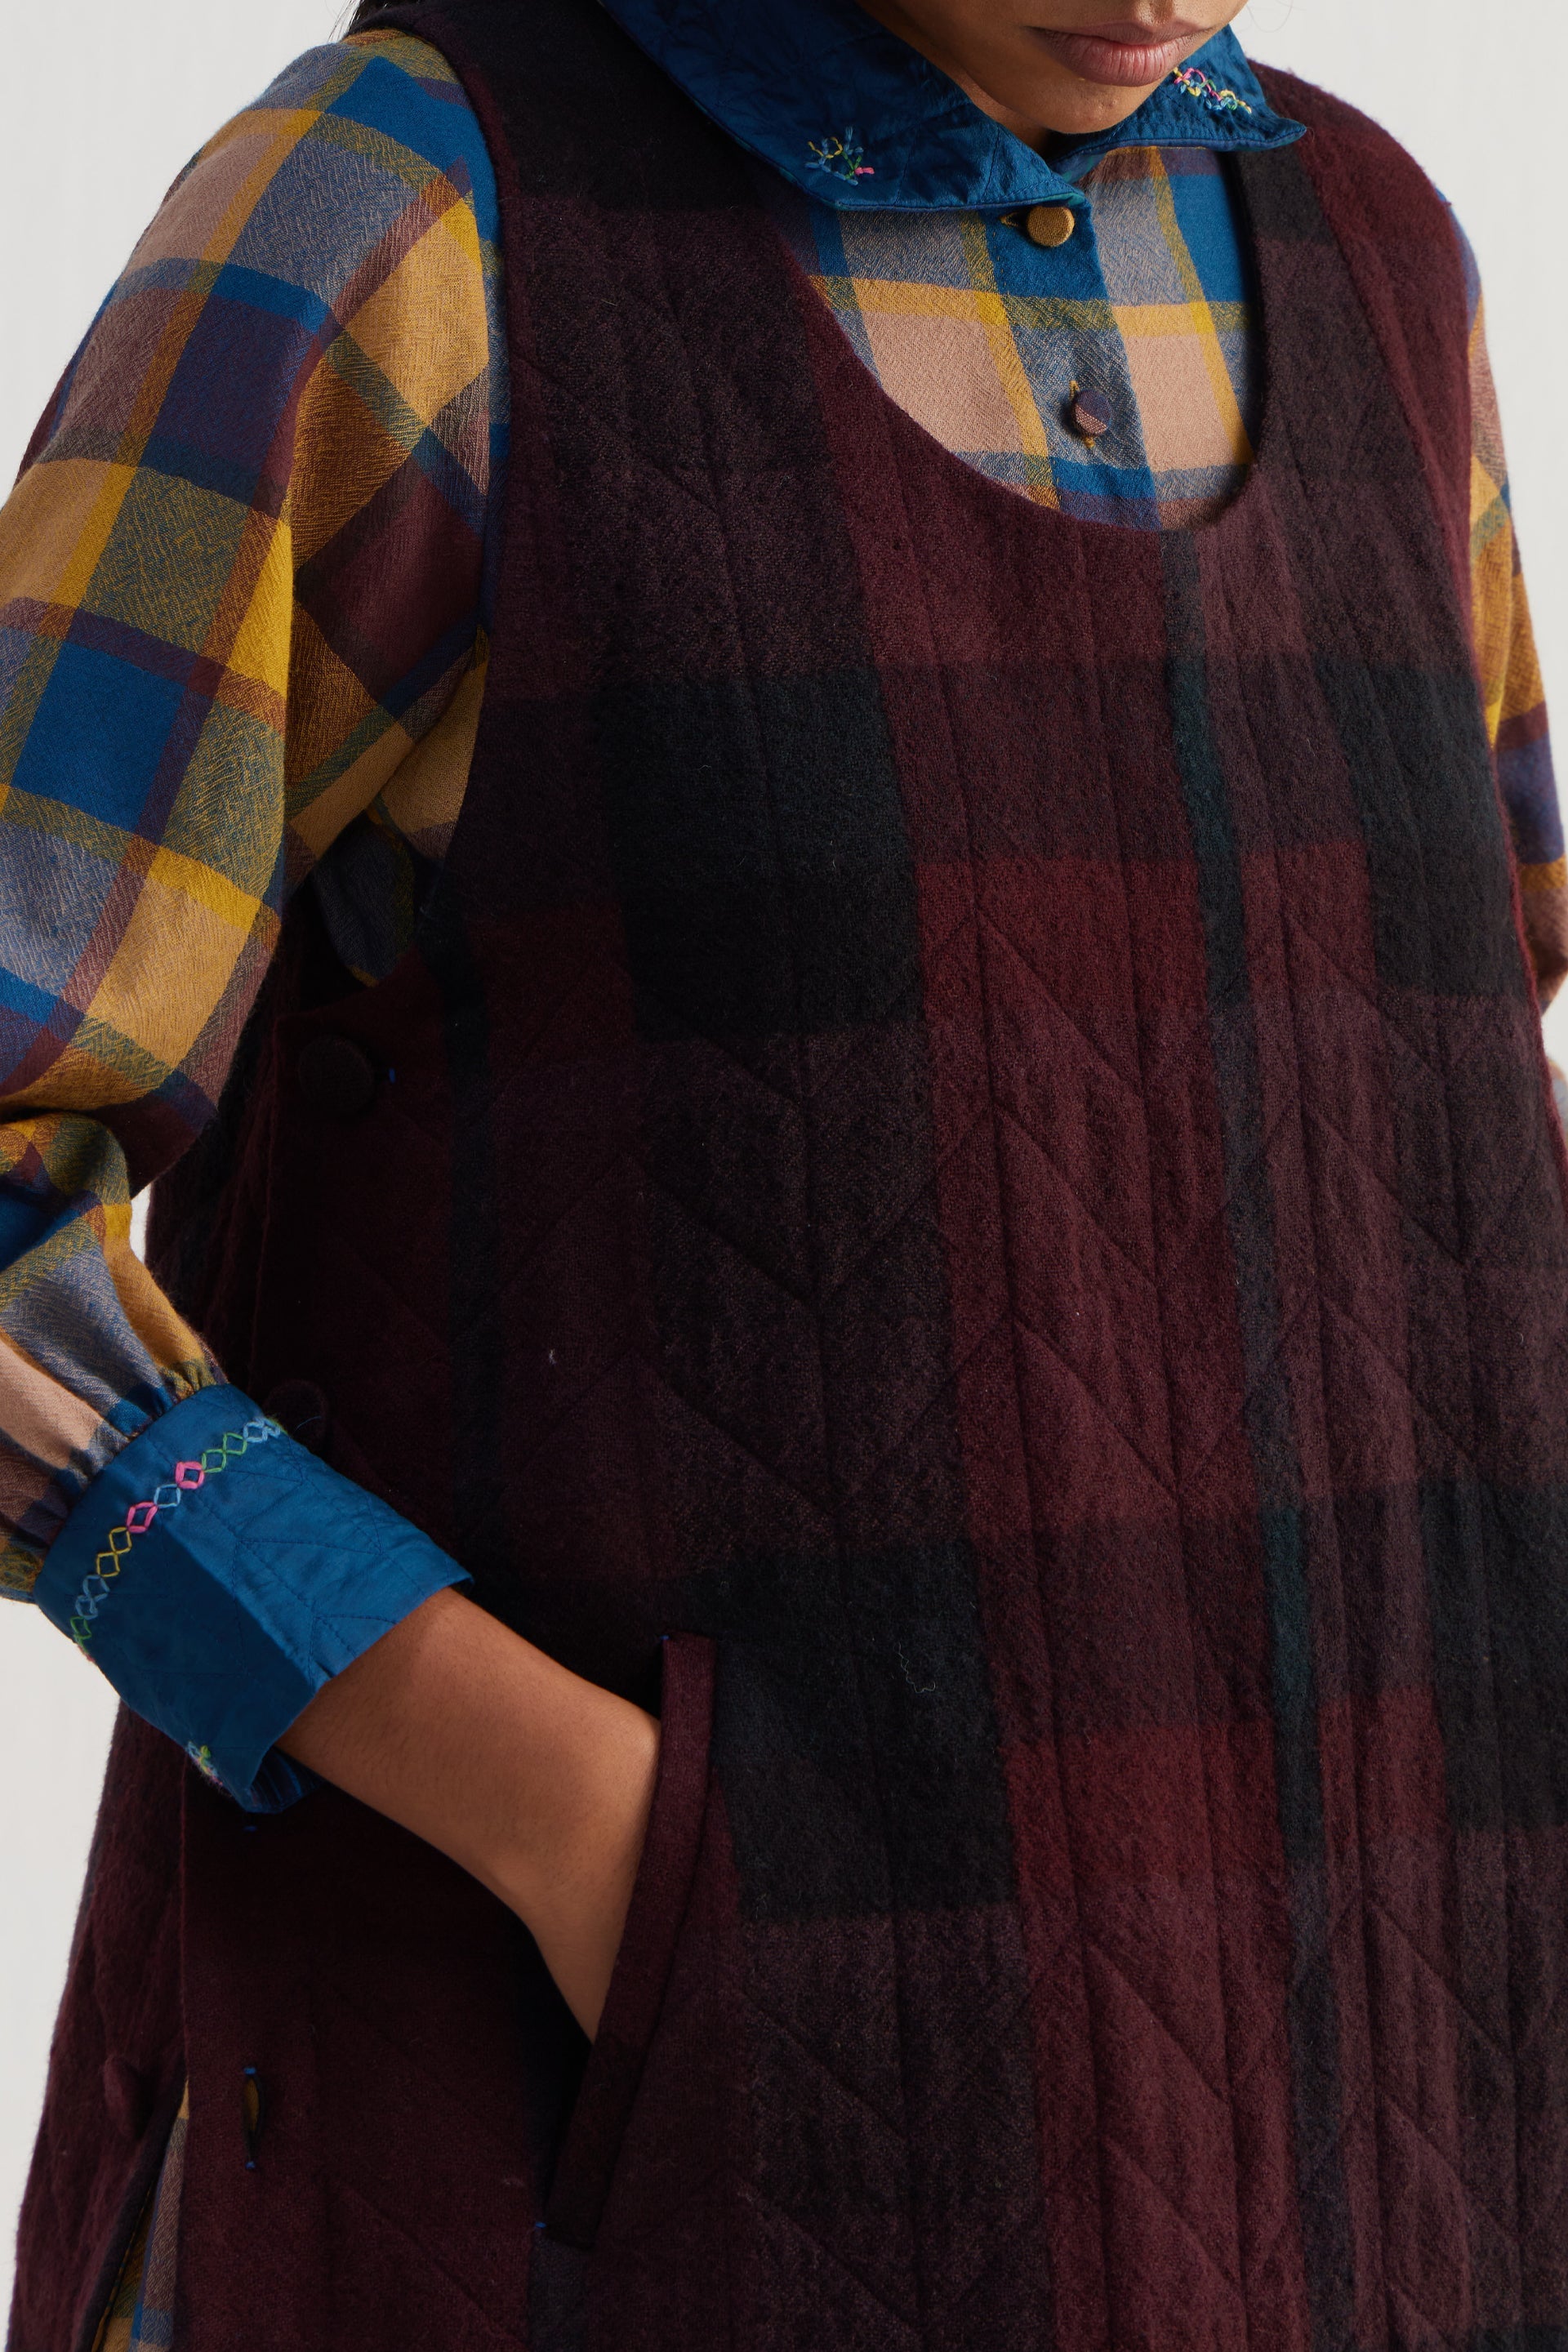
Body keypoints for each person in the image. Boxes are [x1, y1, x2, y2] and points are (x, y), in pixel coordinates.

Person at [3, 0, 1565, 2342]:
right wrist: (593, 1835)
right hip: (588, 2174)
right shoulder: (410, 220)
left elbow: (1454, 1119)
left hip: (1404, 2136)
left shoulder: (1373, 250)